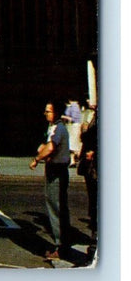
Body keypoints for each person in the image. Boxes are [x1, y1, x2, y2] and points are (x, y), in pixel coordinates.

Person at [30, 101, 71, 261]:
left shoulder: (58, 128)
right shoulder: (53, 127)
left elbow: (51, 148)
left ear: (56, 113)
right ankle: (62, 245)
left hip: (57, 172)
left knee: (56, 209)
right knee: (58, 208)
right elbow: (47, 144)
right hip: (55, 170)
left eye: (48, 111)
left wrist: (36, 159)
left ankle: (61, 248)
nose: (45, 113)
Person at [77, 103, 98, 247]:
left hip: (95, 168)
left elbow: (91, 136)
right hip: (91, 168)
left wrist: (84, 132)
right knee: (93, 204)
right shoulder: (96, 116)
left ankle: (95, 245)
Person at [62, 97, 82, 165]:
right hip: (71, 126)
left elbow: (73, 119)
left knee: (73, 143)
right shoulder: (72, 106)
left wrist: (63, 117)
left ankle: (75, 159)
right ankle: (72, 160)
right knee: (72, 143)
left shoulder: (74, 106)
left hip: (74, 126)